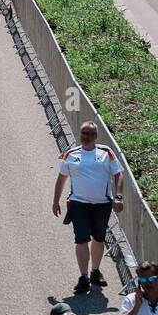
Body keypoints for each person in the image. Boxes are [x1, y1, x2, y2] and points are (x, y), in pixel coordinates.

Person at [52, 122, 125, 296]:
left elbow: (118, 174)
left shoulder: (106, 153)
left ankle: (95, 271)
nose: (86, 136)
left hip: (102, 205)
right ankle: (83, 277)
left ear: (96, 137)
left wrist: (119, 196)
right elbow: (61, 179)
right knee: (81, 239)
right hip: (78, 204)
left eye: (90, 134)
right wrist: (55, 201)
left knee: (98, 239)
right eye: (83, 133)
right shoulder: (71, 154)